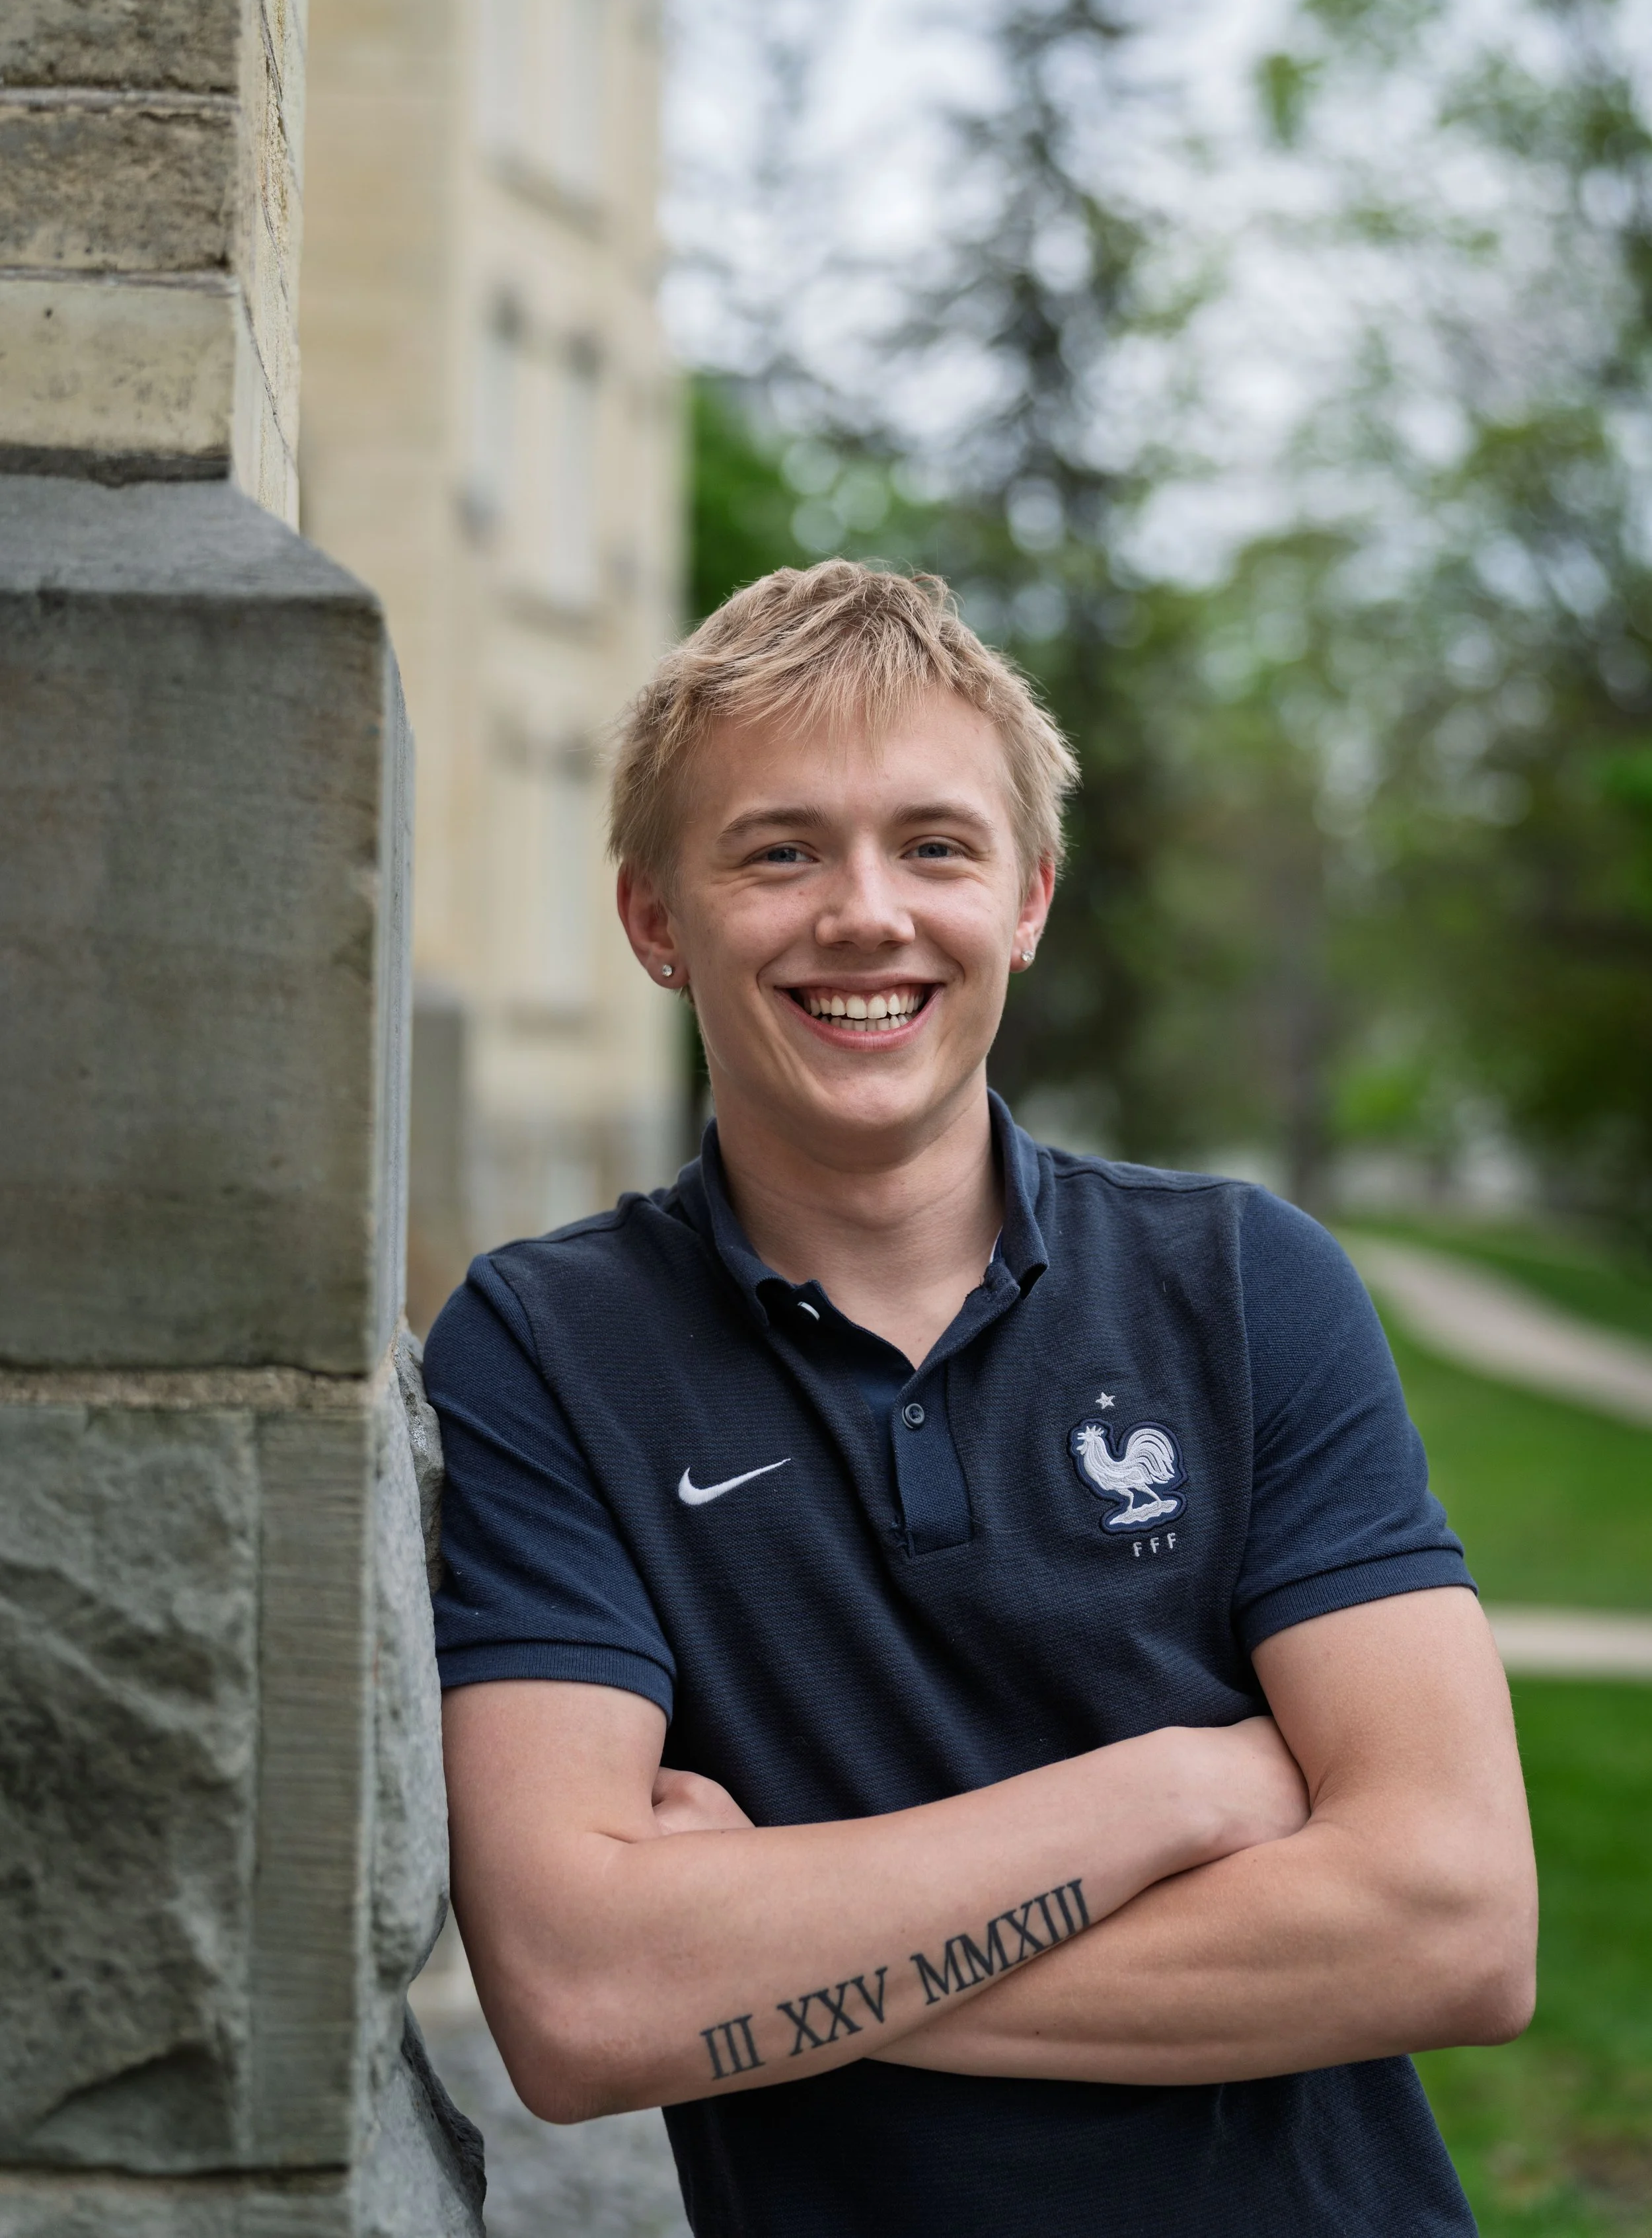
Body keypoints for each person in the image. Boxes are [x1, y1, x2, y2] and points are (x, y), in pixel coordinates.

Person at [426, 560, 1536, 2237]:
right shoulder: (542, 1349)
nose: (864, 913)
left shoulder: (1245, 1283)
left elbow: (1453, 1922)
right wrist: (1179, 1790)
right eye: (778, 849)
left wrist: (750, 1955)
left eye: (933, 847)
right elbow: (583, 2006)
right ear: (656, 919)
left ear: (1024, 898)